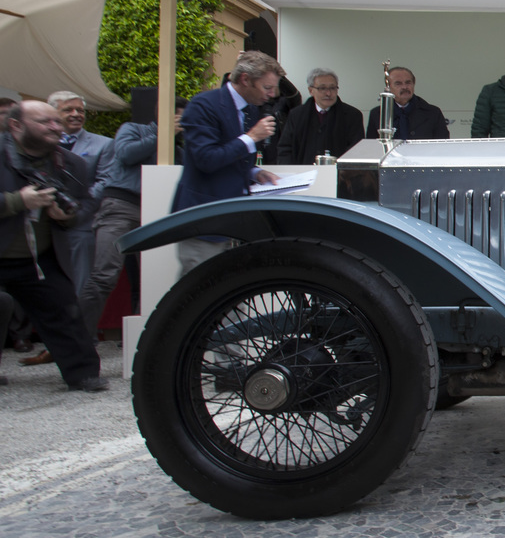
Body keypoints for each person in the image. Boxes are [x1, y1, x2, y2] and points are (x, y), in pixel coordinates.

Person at [0, 101, 108, 391]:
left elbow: (85, 203)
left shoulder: (71, 164)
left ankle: (84, 374)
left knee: (64, 309)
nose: (55, 127)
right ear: (16, 126)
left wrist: (69, 217)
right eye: (44, 122)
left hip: (39, 256)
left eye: (55, 122)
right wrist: (16, 202)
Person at [76, 95, 187, 334]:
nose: (181, 122)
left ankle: (142, 337)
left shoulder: (178, 150)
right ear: (163, 113)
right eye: (177, 117)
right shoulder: (133, 130)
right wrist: (164, 134)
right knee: (104, 274)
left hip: (158, 212)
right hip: (121, 206)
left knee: (154, 278)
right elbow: (125, 154)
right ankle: (79, 339)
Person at [172, 50, 284, 276]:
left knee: (233, 295)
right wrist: (251, 137)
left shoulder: (251, 108)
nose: (272, 95)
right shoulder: (202, 105)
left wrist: (255, 173)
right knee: (199, 295)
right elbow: (206, 159)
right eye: (267, 87)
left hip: (235, 224)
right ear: (245, 79)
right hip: (204, 221)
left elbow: (235, 156)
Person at [47, 91, 113, 299]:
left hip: (79, 226)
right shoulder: (40, 142)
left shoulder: (103, 144)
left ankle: (81, 331)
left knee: (80, 289)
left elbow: (104, 182)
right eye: (68, 109)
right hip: (42, 226)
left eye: (80, 110)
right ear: (53, 113)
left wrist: (74, 210)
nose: (76, 114)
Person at [274, 68, 365, 164]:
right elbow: (285, 148)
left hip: (338, 175)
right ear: (311, 90)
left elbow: (357, 151)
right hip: (303, 174)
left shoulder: (352, 115)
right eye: (322, 88)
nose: (328, 93)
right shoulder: (296, 115)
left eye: (332, 88)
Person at [366, 66, 450, 141]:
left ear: (414, 84)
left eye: (408, 82)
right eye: (398, 83)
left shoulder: (433, 112)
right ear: (388, 88)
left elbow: (442, 145)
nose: (404, 87)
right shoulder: (378, 114)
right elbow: (371, 148)